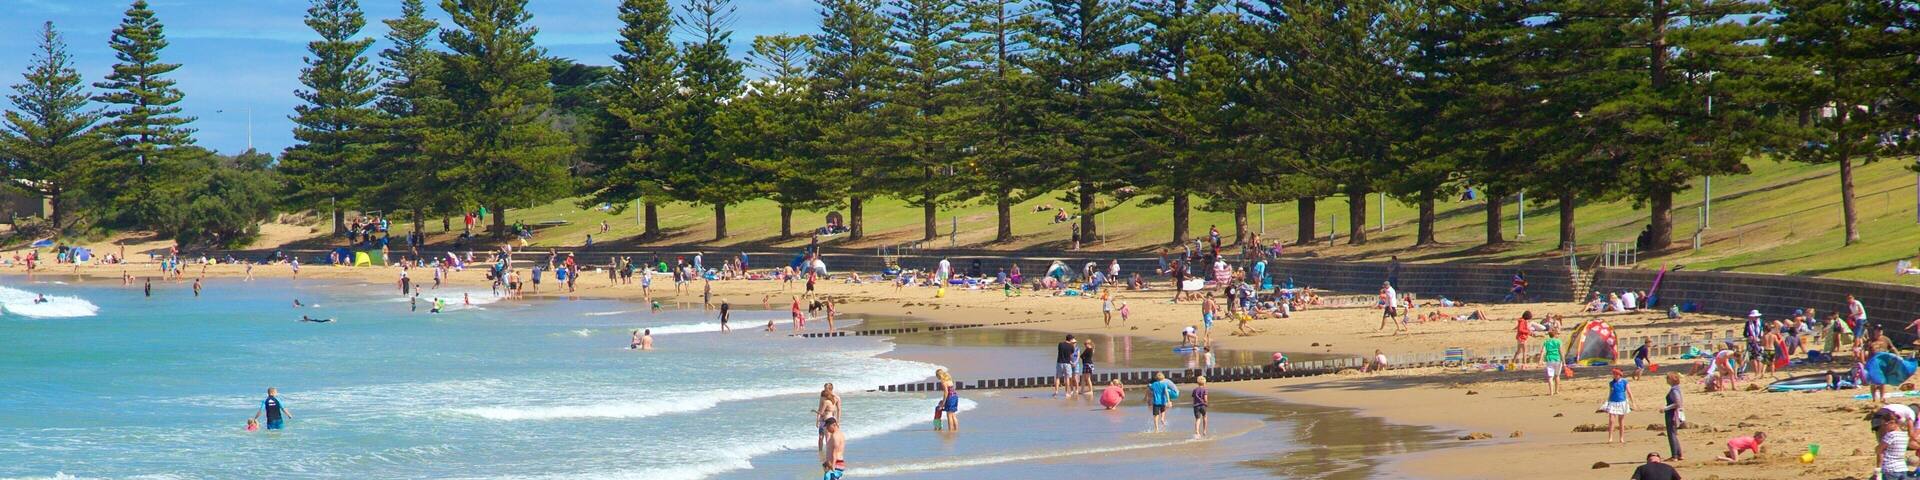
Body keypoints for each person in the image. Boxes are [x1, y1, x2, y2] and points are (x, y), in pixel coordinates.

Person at [1601, 368, 1633, 444]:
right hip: (1612, 402)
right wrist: (1607, 403)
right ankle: (1610, 438)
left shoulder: (1624, 382)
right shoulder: (1611, 383)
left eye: (1616, 374)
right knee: (1611, 421)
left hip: (1622, 402)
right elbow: (1610, 393)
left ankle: (1621, 438)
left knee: (1621, 421)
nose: (1614, 376)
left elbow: (1629, 392)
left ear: (1619, 375)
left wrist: (1633, 402)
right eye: (1614, 374)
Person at [1661, 372, 1685, 461]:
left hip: (1672, 414)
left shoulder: (1674, 390)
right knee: (1673, 434)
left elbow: (1677, 403)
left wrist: (1665, 408)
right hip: (1675, 413)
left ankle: (1674, 455)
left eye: (1668, 378)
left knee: (1671, 434)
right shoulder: (1676, 389)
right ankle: (1679, 454)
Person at [1879, 412, 1910, 478]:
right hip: (1902, 467)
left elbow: (1879, 450)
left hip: (1890, 468)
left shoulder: (1891, 435)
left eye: (1885, 424)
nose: (1884, 427)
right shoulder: (1904, 435)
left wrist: (1878, 469)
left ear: (1892, 422)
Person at [815, 383, 840, 450]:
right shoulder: (823, 396)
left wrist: (838, 421)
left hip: (830, 420)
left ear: (830, 389)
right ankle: (820, 452)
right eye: (824, 388)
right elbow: (819, 408)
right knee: (820, 437)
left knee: (828, 437)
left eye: (826, 389)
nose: (824, 390)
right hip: (822, 420)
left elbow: (838, 410)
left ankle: (829, 452)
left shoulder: (836, 398)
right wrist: (817, 420)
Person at [1542, 329, 1564, 395]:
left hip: (1549, 359)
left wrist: (1540, 361)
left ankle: (1551, 392)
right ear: (1555, 334)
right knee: (1557, 376)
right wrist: (1564, 361)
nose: (1558, 335)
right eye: (1557, 334)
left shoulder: (1546, 341)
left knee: (1550, 377)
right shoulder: (1558, 341)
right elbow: (1561, 352)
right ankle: (1556, 391)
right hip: (1557, 359)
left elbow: (1542, 351)